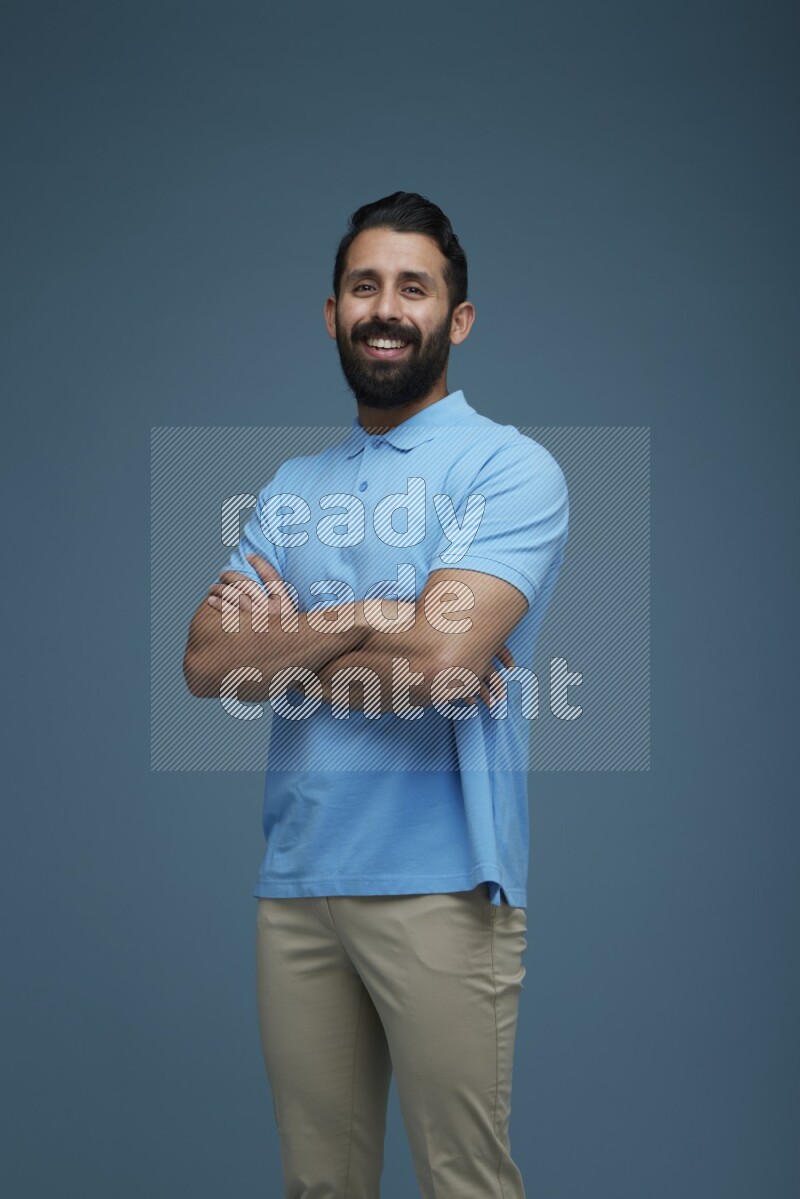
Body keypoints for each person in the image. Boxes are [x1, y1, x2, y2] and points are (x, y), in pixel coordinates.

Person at [183, 191, 569, 1198]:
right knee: (319, 1185)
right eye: (365, 286)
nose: (385, 308)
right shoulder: (289, 484)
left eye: (413, 286)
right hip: (299, 880)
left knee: (463, 1184)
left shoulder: (507, 468)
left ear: (458, 317)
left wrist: (294, 644)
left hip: (445, 884)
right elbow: (206, 662)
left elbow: (441, 665)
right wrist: (366, 617)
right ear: (331, 311)